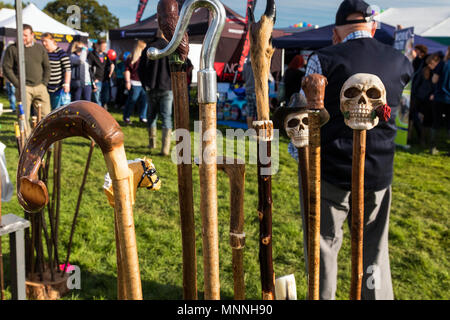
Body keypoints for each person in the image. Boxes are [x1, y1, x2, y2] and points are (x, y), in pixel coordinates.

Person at [288, 0, 412, 300]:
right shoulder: (400, 60)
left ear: (337, 30)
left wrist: (298, 156)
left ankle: (323, 296)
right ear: (372, 25)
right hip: (379, 170)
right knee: (375, 248)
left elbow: (305, 114)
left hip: (329, 170)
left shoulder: (324, 58)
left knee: (324, 245)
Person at [2, 24, 51, 132]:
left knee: (46, 115)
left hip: (40, 86)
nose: (22, 38)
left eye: (25, 35)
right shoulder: (12, 48)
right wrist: (18, 84)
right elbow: (6, 68)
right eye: (20, 35)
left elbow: (47, 67)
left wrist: (44, 83)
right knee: (23, 117)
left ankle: (44, 140)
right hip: (23, 88)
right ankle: (26, 144)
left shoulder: (39, 48)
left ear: (32, 35)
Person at [138, 29, 173, 156]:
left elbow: (140, 69)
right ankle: (165, 149)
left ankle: (152, 143)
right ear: (165, 35)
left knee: (151, 116)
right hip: (167, 88)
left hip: (151, 87)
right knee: (166, 117)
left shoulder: (148, 48)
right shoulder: (170, 47)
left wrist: (145, 84)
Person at [41, 33, 71, 110]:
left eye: (45, 41)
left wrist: (66, 84)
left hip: (57, 88)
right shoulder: (43, 53)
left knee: (55, 109)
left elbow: (67, 69)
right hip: (44, 87)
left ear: (52, 40)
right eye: (42, 41)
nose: (44, 43)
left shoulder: (61, 53)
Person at [429, 48, 450, 153]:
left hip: (439, 97)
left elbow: (434, 80)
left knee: (436, 123)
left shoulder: (442, 64)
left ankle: (433, 148)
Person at [123, 40, 148, 125]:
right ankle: (126, 117)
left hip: (143, 83)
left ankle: (143, 117)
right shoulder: (131, 58)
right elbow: (127, 71)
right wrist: (128, 82)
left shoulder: (144, 58)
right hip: (134, 83)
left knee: (145, 101)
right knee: (132, 101)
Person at [88, 39, 114, 109]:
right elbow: (89, 68)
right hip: (97, 80)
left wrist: (111, 71)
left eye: (105, 47)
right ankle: (99, 112)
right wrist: (93, 79)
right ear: (97, 45)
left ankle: (104, 108)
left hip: (105, 80)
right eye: (103, 46)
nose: (104, 48)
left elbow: (111, 64)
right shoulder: (91, 54)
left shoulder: (105, 55)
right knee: (97, 98)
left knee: (106, 97)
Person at [243, 57, 257, 129]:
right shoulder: (258, 64)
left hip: (248, 90)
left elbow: (243, 78)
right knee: (258, 112)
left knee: (250, 112)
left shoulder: (245, 65)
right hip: (256, 91)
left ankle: (250, 130)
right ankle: (258, 131)